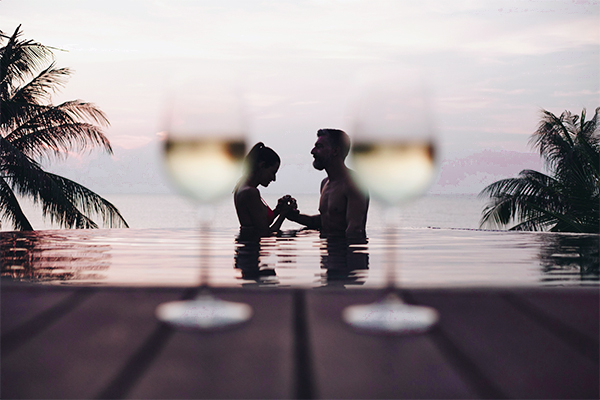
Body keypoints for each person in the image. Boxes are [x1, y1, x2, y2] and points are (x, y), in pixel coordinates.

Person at [287, 128, 369, 239]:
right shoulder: (325, 183)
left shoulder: (354, 185)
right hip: (328, 254)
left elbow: (355, 230)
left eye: (319, 147)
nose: (313, 151)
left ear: (335, 151)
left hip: (343, 254)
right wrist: (295, 217)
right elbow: (326, 220)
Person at [234, 142, 296, 239]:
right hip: (250, 251)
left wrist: (278, 210)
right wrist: (284, 214)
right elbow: (265, 233)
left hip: (246, 250)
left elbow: (258, 222)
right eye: (272, 172)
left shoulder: (241, 187)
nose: (274, 178)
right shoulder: (251, 192)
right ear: (262, 166)